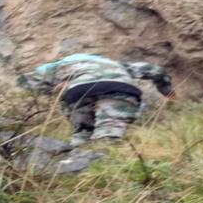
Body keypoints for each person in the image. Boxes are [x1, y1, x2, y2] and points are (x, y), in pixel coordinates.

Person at [18, 53, 173, 145]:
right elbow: (156, 70)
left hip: (78, 91)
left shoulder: (55, 66)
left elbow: (25, 82)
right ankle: (107, 168)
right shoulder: (113, 63)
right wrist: (168, 92)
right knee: (108, 135)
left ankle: (80, 166)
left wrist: (53, 89)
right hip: (118, 89)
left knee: (83, 134)